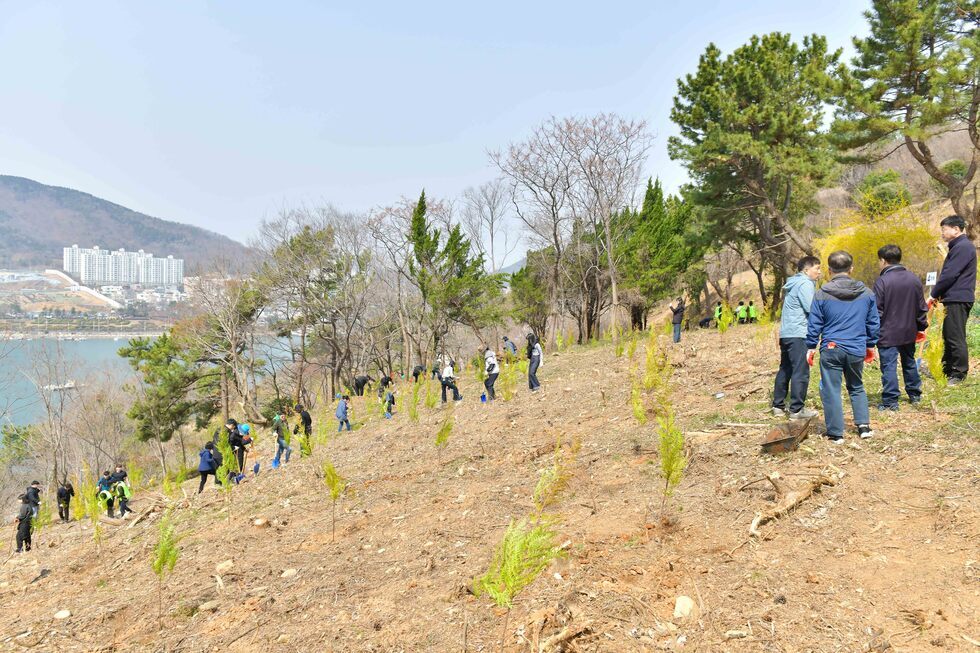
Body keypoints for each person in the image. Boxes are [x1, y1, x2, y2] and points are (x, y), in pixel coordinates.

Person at [806, 250, 880, 443]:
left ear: (829, 270)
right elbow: (873, 322)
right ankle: (863, 427)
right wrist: (870, 344)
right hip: (856, 348)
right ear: (851, 269)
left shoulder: (821, 294)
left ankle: (836, 433)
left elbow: (814, 323)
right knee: (856, 386)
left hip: (831, 348)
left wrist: (811, 346)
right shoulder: (867, 293)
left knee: (831, 389)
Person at [873, 244, 928, 410]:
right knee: (909, 361)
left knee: (888, 366)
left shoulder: (882, 281)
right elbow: (921, 307)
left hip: (887, 332)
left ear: (883, 260)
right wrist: (921, 326)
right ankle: (914, 394)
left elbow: (877, 311)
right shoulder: (914, 279)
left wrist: (872, 332)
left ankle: (891, 401)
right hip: (908, 330)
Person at [928, 215, 977, 385]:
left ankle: (958, 373)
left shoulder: (963, 247)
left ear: (956, 229)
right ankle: (948, 369)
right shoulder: (958, 246)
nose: (942, 233)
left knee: (955, 336)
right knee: (949, 334)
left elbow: (950, 274)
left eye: (944, 229)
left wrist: (933, 294)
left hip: (958, 298)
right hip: (953, 297)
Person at [773, 256, 821, 419]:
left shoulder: (793, 283)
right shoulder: (805, 284)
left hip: (787, 333)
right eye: (817, 268)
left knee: (785, 368)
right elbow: (812, 309)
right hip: (799, 333)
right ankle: (796, 410)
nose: (819, 272)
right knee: (801, 371)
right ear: (806, 270)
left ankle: (778, 406)